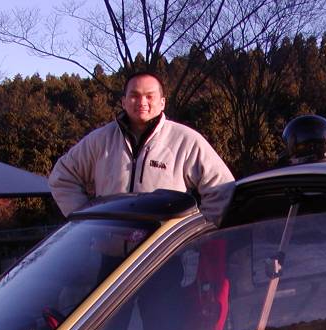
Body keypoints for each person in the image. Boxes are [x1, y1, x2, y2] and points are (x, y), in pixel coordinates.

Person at [49, 72, 235, 224]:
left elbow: (222, 187)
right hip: (108, 247)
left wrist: (199, 229)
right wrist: (86, 220)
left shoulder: (185, 140)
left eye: (149, 96)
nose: (142, 102)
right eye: (134, 96)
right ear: (123, 101)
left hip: (164, 251)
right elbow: (62, 176)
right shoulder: (100, 140)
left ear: (162, 102)